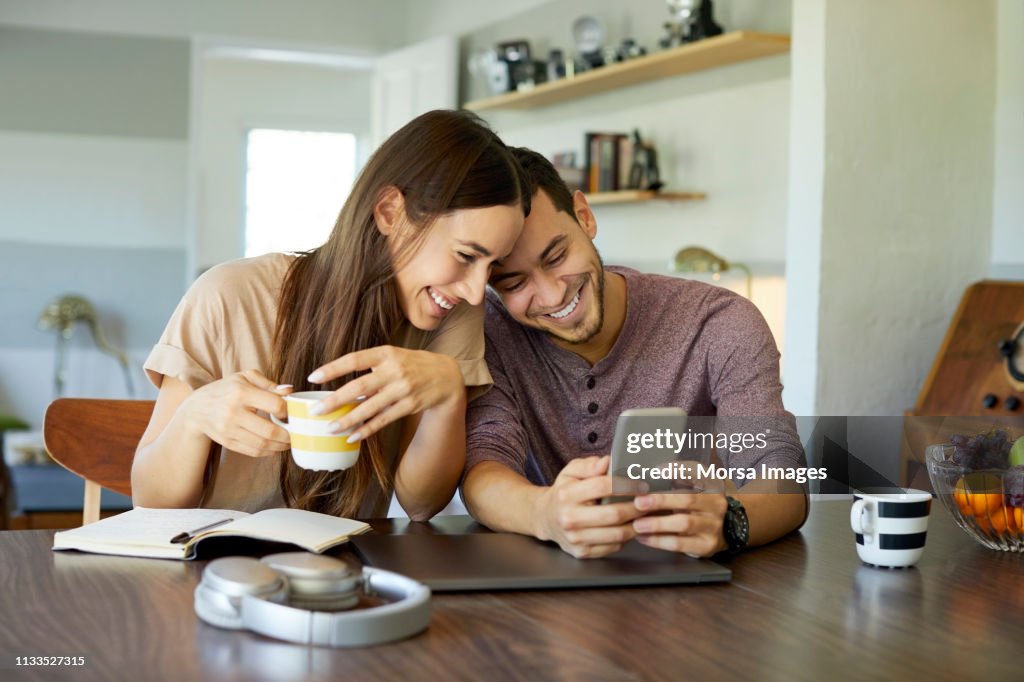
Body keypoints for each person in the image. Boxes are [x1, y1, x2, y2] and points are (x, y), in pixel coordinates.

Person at [132, 110, 528, 521]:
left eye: (492, 266)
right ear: (390, 212)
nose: (473, 289)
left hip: (349, 570)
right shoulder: (228, 296)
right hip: (220, 569)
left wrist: (446, 397)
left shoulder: (452, 314)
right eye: (466, 255)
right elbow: (148, 501)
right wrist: (194, 419)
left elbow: (421, 504)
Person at [463, 147, 807, 558]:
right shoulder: (490, 336)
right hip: (545, 593)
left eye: (557, 256)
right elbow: (483, 468)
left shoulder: (719, 322)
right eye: (515, 283)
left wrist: (729, 520)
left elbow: (782, 475)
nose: (553, 294)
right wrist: (544, 513)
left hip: (691, 593)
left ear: (584, 217)